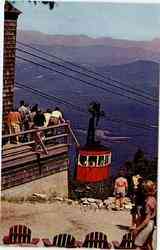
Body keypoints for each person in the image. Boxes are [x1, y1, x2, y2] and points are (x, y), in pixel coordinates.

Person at [133, 180, 156, 250]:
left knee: (137, 244)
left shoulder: (148, 202)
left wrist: (137, 228)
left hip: (147, 225)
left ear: (144, 191)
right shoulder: (153, 199)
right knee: (148, 244)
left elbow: (147, 220)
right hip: (151, 223)